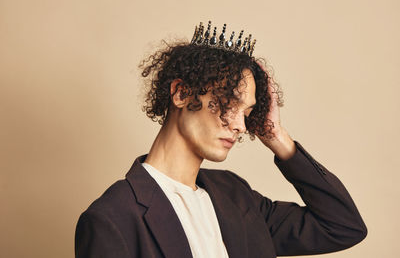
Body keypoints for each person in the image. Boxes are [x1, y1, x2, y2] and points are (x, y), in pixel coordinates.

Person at [75, 21, 367, 258]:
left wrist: (277, 137)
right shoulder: (112, 219)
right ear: (181, 94)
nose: (240, 125)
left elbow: (343, 226)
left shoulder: (235, 195)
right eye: (228, 103)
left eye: (248, 112)